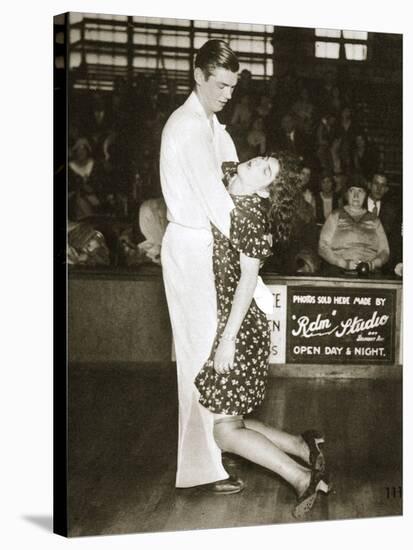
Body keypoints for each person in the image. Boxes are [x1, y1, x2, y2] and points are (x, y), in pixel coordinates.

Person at [195, 153, 331, 518]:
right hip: (229, 322)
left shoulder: (251, 215)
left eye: (265, 171)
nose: (254, 164)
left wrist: (228, 340)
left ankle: (301, 476)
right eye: (259, 160)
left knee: (225, 431)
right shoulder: (230, 178)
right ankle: (303, 447)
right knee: (228, 418)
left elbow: (246, 283)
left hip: (239, 327)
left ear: (268, 193)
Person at [160, 40, 242, 493]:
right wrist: (252, 256)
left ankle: (218, 452)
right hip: (191, 248)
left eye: (232, 86)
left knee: (212, 355)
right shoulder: (188, 127)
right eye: (220, 84)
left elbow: (234, 189)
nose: (227, 93)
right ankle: (202, 470)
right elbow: (217, 203)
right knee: (196, 357)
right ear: (197, 75)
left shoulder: (214, 127)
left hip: (209, 247)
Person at [318, 174, 390, 274]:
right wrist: (343, 263)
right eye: (352, 191)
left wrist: (372, 264)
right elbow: (322, 246)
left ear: (365, 195)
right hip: (338, 270)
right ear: (346, 194)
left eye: (360, 191)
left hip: (369, 272)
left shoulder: (374, 219)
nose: (356, 196)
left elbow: (385, 251)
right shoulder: (335, 215)